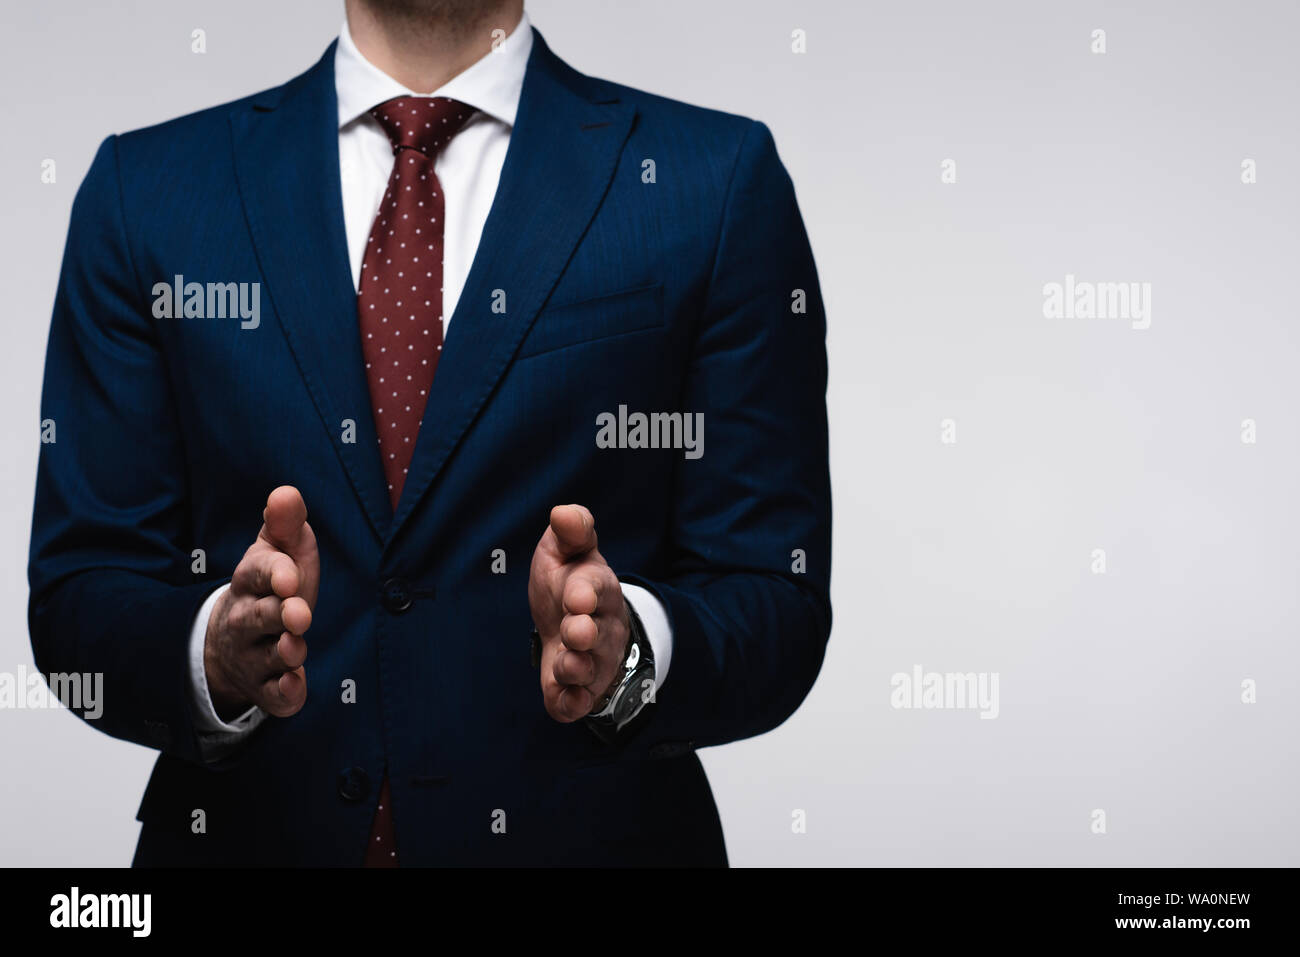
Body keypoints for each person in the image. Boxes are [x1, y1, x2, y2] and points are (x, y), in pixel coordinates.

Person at [28, 0, 831, 866]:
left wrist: (628, 654)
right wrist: (214, 653)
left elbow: (774, 596)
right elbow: (80, 589)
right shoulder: (145, 192)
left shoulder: (711, 182)